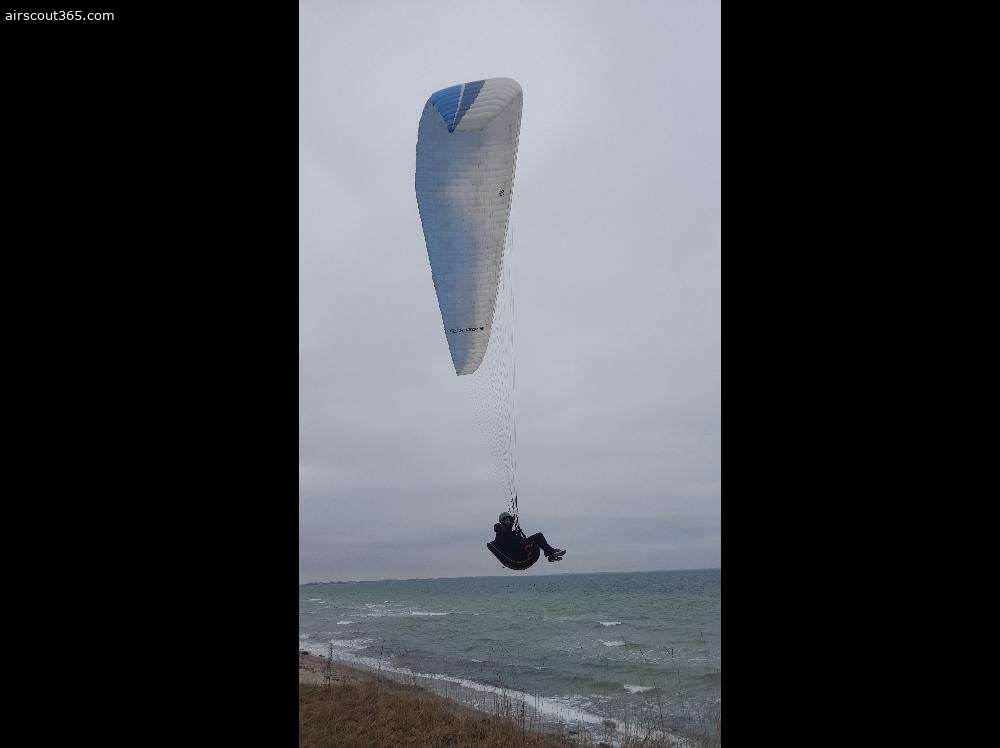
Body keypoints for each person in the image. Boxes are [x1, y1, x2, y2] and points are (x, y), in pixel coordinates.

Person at [494, 511, 566, 562]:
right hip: (517, 549)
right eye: (506, 520)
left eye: (509, 520)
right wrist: (511, 525)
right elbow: (504, 532)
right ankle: (551, 553)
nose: (508, 521)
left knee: (538, 539)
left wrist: (516, 531)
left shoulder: (509, 530)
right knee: (539, 536)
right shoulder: (498, 528)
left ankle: (551, 555)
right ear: (502, 521)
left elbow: (509, 532)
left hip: (520, 545)